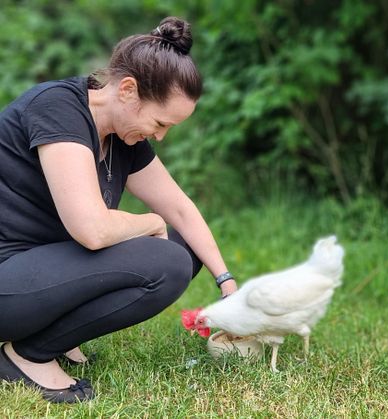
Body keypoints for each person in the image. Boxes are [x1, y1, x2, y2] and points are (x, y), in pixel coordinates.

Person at [0, 17, 237, 403]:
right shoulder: (58, 109)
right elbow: (91, 229)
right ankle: (27, 356)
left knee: (184, 247)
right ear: (128, 90)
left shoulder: (122, 136)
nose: (160, 136)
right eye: (159, 122)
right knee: (167, 261)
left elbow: (179, 209)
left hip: (41, 271)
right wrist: (149, 222)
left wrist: (227, 285)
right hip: (7, 276)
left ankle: (52, 337)